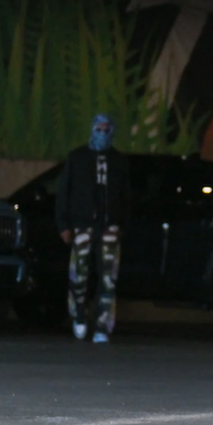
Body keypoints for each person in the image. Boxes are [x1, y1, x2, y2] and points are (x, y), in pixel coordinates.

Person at [55, 114, 132, 344]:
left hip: (109, 227)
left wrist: (122, 226)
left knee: (108, 278)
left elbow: (126, 197)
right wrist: (64, 226)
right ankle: (79, 314)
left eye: (106, 129)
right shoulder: (77, 158)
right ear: (91, 129)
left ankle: (102, 326)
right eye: (98, 128)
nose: (102, 133)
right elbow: (63, 194)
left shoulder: (119, 161)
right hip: (82, 225)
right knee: (78, 275)